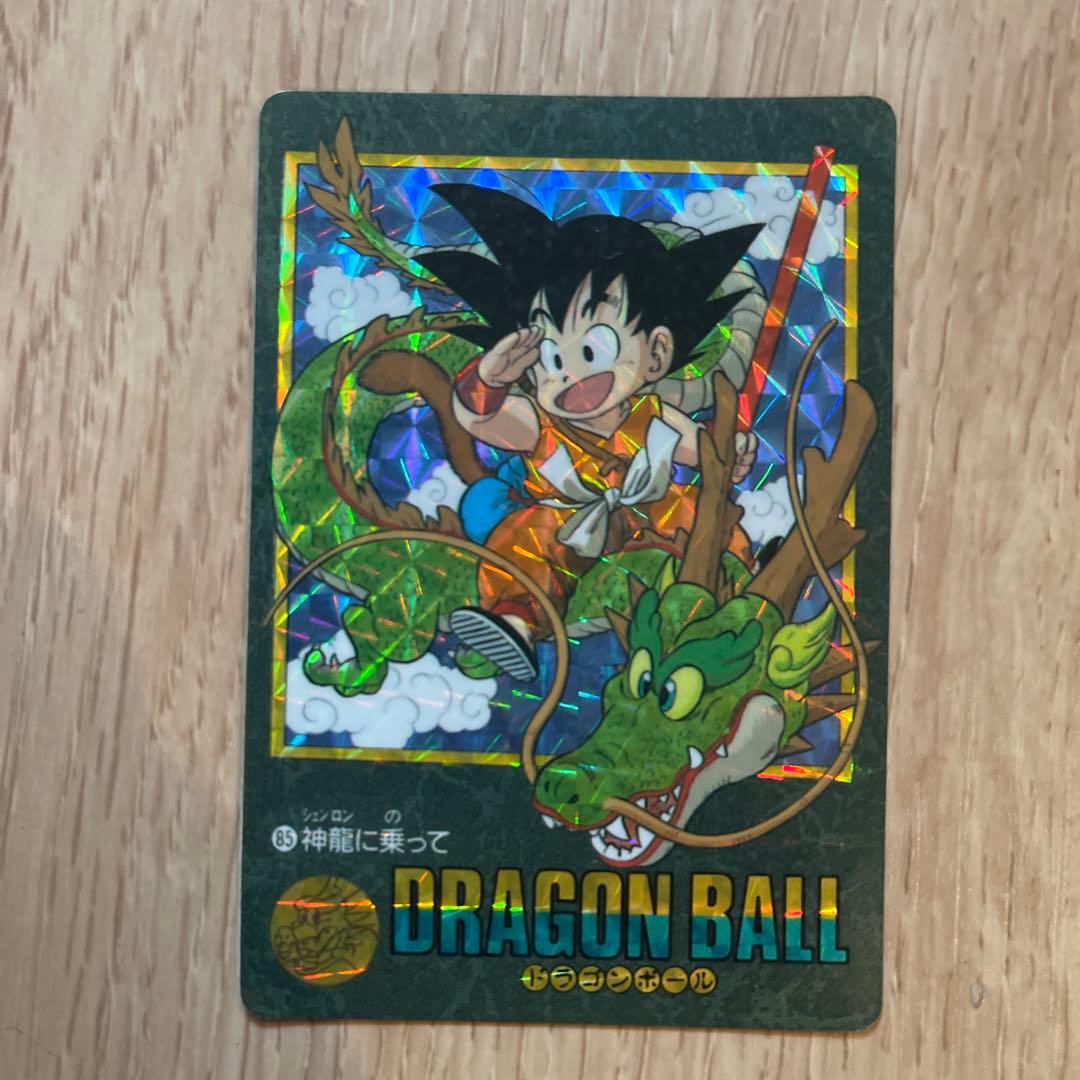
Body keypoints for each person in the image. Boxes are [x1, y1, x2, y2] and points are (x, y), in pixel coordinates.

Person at [414, 185, 760, 680]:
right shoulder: (540, 423)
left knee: (703, 515)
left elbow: (706, 452)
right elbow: (481, 418)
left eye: (593, 350)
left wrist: (733, 452)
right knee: (528, 537)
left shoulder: (654, 415)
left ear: (656, 354)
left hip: (649, 515)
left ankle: (743, 587)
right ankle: (514, 620)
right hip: (566, 523)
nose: (570, 374)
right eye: (552, 358)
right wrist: (488, 381)